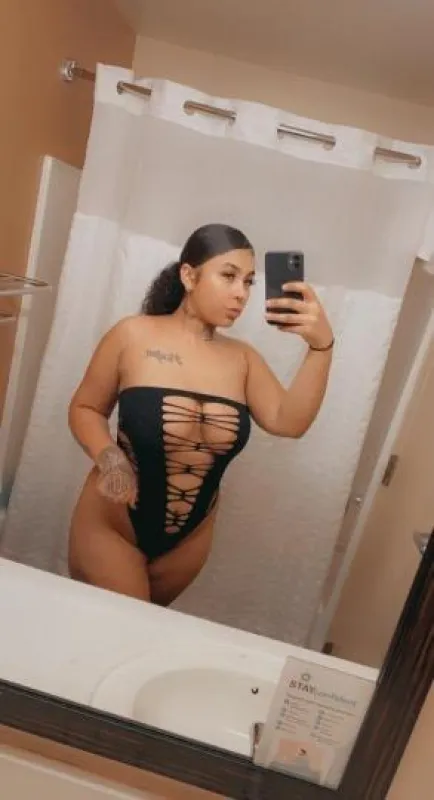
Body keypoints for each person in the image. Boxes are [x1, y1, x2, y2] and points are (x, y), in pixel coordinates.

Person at [68, 223, 334, 605]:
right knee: (125, 629)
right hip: (113, 523)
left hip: (189, 542)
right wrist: (110, 459)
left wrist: (321, 347)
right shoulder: (132, 335)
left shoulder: (243, 359)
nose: (241, 293)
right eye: (229, 276)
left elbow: (289, 422)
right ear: (189, 276)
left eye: (249, 282)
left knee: (143, 637)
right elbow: (86, 408)